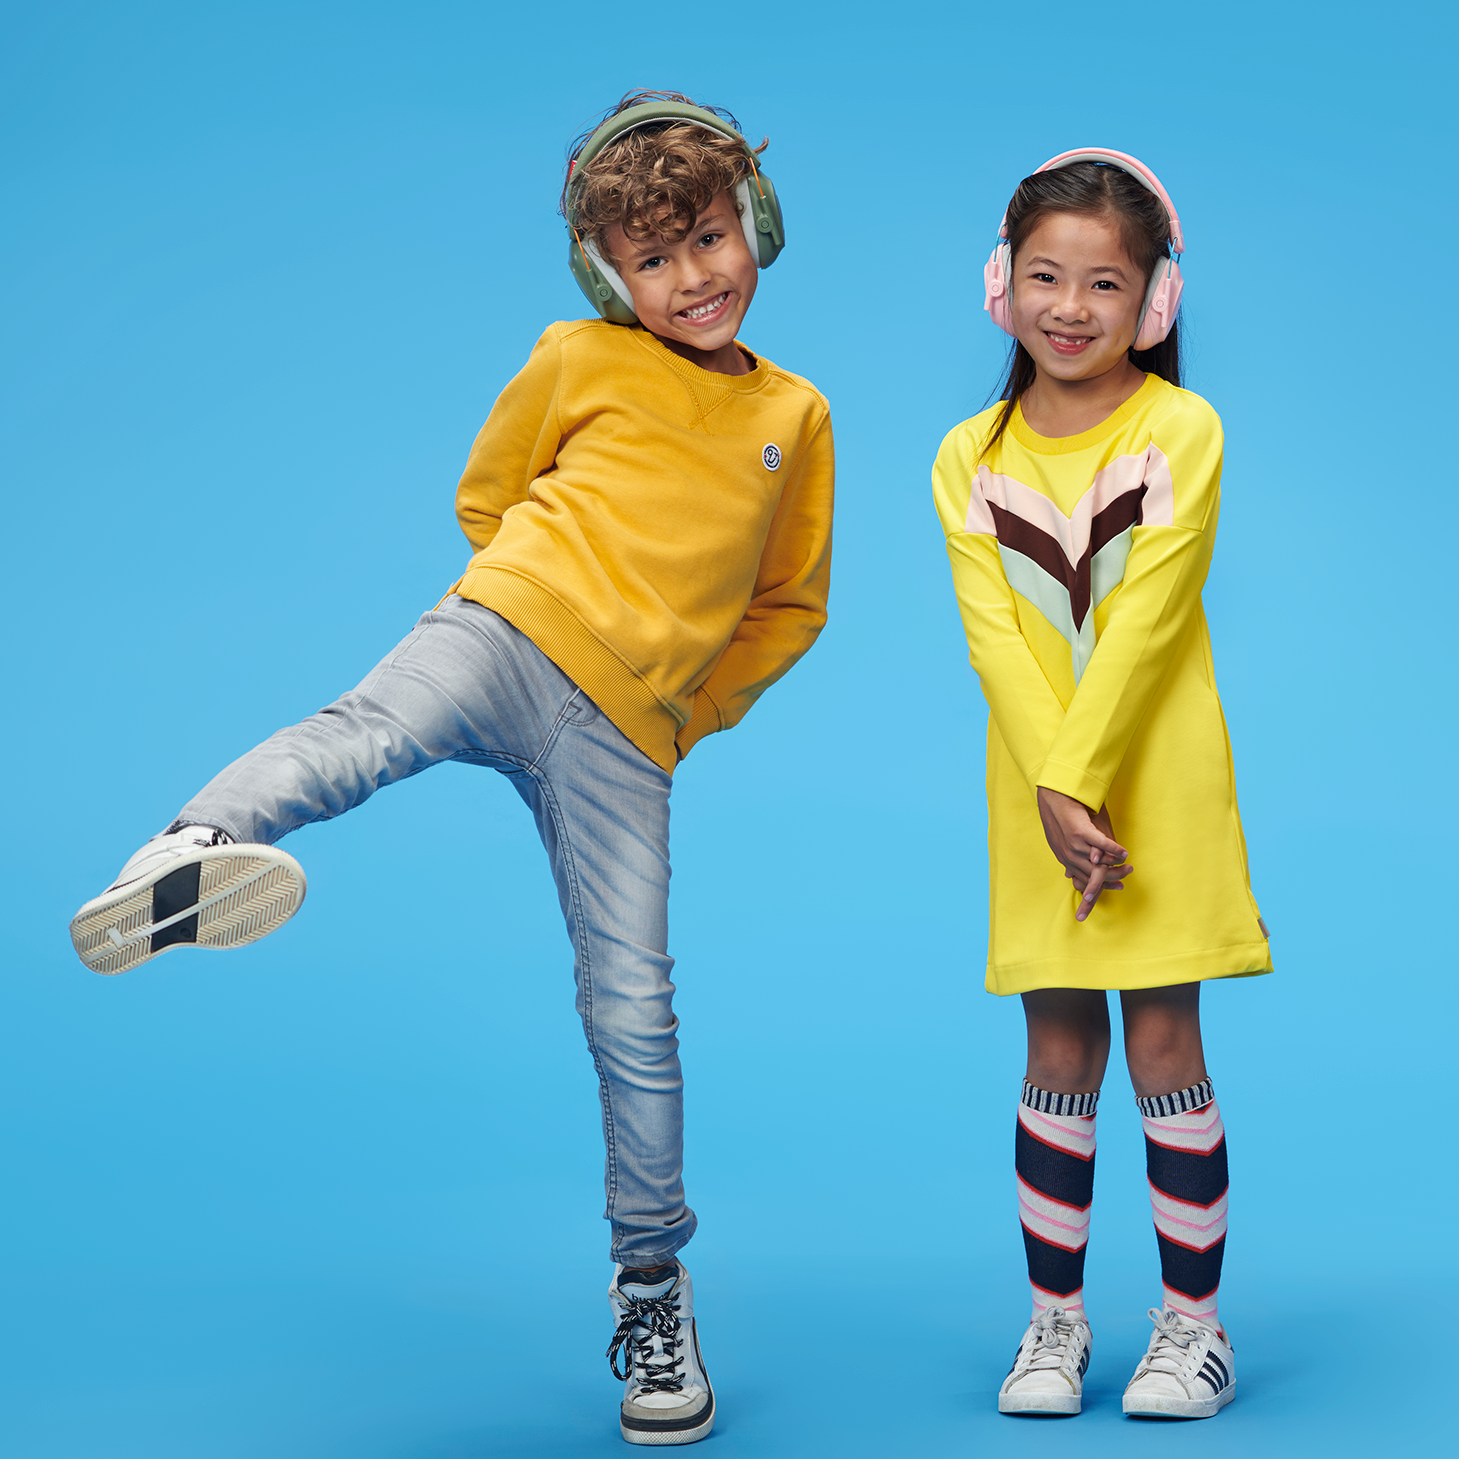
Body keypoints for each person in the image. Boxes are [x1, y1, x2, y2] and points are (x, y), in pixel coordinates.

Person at [69, 90, 834, 1447]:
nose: (691, 276)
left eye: (709, 238)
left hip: (625, 731)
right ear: (610, 277)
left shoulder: (795, 413)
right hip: (506, 629)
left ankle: (652, 1287)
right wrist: (519, 589)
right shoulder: (575, 357)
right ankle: (186, 849)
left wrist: (681, 710)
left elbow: (789, 604)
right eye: (651, 260)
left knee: (632, 1006)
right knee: (359, 730)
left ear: (752, 225)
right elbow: (491, 491)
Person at [931, 150, 1270, 1421]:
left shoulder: (1182, 429)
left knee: (1165, 1040)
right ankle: (1053, 1324)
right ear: (999, 285)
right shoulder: (965, 455)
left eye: (1104, 284)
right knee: (1057, 1043)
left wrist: (1080, 781)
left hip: (1156, 788)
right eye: (1044, 277)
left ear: (1154, 305)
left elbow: (1144, 620)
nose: (1069, 306)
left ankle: (1192, 1329)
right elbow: (995, 644)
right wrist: (1052, 792)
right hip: (1035, 803)